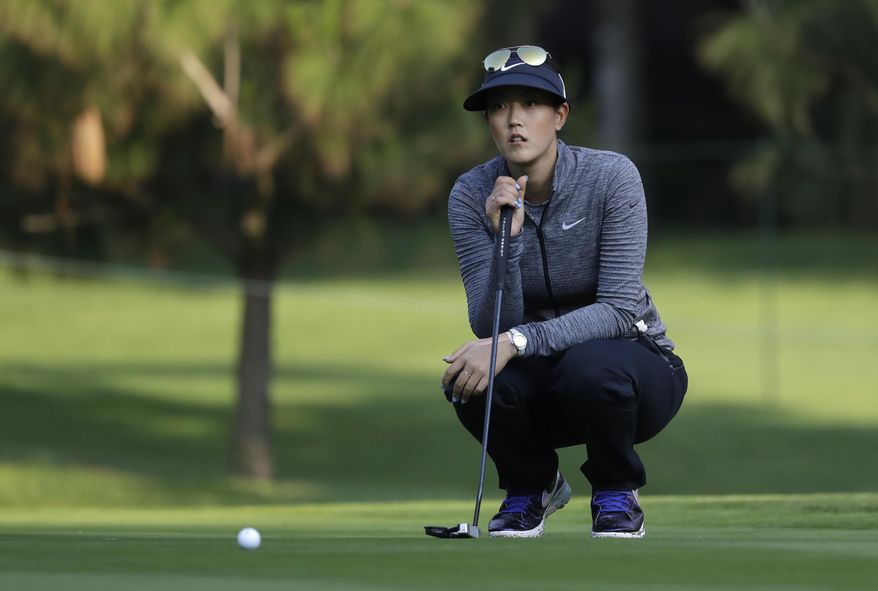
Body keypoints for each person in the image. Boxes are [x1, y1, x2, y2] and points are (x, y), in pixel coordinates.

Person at [441, 45, 688, 539]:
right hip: (544, 382)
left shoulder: (612, 177)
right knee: (468, 376)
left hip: (634, 374)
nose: (514, 120)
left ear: (560, 115)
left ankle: (617, 491)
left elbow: (618, 310)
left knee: (588, 367)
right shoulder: (471, 195)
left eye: (530, 104)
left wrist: (514, 342)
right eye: (499, 106)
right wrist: (503, 243)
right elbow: (490, 321)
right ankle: (530, 488)